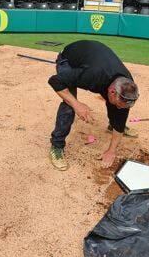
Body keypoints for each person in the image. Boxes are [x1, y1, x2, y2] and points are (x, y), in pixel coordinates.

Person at [47, 40, 140, 170]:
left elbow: (121, 109)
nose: (120, 108)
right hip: (69, 60)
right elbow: (55, 81)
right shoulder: (92, 75)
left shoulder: (126, 84)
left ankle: (112, 125)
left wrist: (111, 150)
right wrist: (77, 105)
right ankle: (56, 146)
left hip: (95, 62)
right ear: (112, 91)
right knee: (70, 104)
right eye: (119, 104)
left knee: (118, 109)